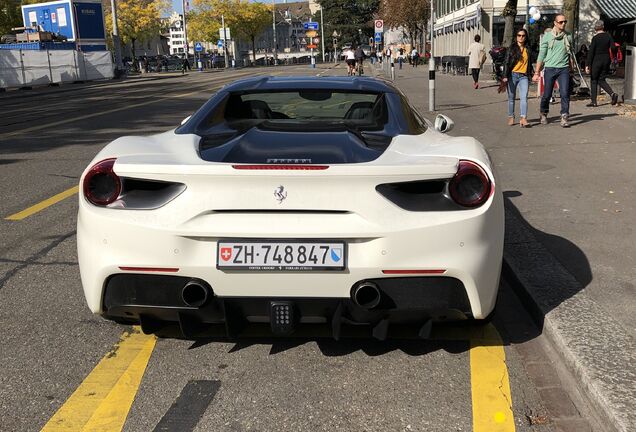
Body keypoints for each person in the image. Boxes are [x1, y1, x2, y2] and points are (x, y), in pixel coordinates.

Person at [533, 14, 574, 127]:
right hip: (550, 68)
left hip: (563, 69)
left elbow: (570, 54)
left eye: (564, 21)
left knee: (565, 93)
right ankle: (543, 112)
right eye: (561, 22)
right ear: (555, 23)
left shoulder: (569, 36)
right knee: (547, 94)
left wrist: (571, 68)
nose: (563, 24)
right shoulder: (547, 37)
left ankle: (564, 116)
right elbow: (541, 55)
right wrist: (536, 72)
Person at [502, 28, 534, 128]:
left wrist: (533, 73)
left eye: (523, 36)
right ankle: (511, 116)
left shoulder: (528, 49)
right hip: (512, 75)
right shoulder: (511, 48)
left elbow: (529, 63)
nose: (521, 37)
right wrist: (504, 76)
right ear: (516, 37)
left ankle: (523, 118)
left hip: (523, 76)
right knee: (511, 98)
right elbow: (506, 62)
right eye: (519, 35)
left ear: (525, 37)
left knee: (524, 97)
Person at [585, 20, 619, 107]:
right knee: (601, 79)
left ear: (595, 28)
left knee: (594, 80)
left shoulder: (595, 38)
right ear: (603, 27)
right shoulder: (608, 36)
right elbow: (613, 47)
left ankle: (594, 101)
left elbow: (591, 52)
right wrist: (614, 56)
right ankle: (612, 94)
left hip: (597, 60)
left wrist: (587, 65)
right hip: (606, 60)